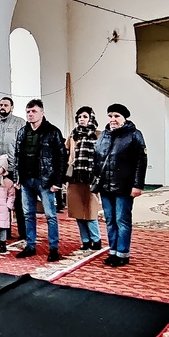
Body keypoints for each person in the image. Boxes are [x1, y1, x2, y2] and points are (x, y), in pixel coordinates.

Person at [93, 104, 148, 267]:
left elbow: (141, 162)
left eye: (116, 116)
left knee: (122, 220)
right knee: (110, 220)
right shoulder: (104, 135)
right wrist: (96, 184)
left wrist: (137, 185)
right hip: (106, 187)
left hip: (124, 186)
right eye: (110, 116)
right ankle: (113, 251)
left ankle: (123, 254)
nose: (113, 119)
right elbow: (97, 160)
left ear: (124, 118)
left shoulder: (134, 135)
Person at [12, 99, 66, 262]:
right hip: (26, 180)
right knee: (28, 214)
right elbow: (17, 156)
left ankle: (53, 248)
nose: (30, 114)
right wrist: (16, 178)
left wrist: (58, 182)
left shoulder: (53, 131)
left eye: (34, 111)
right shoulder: (23, 132)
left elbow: (61, 158)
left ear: (42, 112)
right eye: (28, 112)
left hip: (45, 180)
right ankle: (30, 246)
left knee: (50, 216)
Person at [0, 96, 26, 239]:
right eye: (1, 105)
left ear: (12, 107)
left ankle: (23, 233)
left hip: (14, 168)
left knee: (18, 202)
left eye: (6, 105)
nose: (3, 107)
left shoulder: (19, 123)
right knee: (2, 202)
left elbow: (23, 145)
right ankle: (5, 232)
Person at [66, 107, 102, 251]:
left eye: (85, 116)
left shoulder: (98, 135)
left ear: (91, 118)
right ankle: (85, 240)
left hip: (90, 177)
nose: (82, 119)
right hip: (75, 178)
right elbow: (66, 152)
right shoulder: (73, 135)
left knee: (90, 210)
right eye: (79, 117)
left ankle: (96, 239)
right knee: (77, 211)